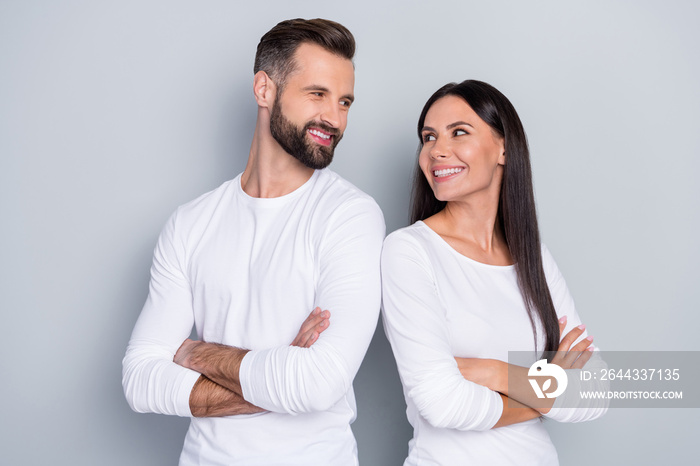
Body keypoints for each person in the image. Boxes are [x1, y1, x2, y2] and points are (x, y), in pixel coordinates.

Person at [122, 18, 385, 465]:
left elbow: (319, 384)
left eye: (345, 102)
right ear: (265, 89)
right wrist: (280, 377)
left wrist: (194, 352)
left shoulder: (350, 216)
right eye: (318, 94)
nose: (335, 119)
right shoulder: (191, 223)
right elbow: (140, 382)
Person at [381, 80, 607, 465]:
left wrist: (494, 372)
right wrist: (547, 393)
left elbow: (597, 389)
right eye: (429, 136)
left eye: (459, 132)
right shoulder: (409, 252)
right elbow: (443, 403)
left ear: (503, 148)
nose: (437, 150)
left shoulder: (533, 257)